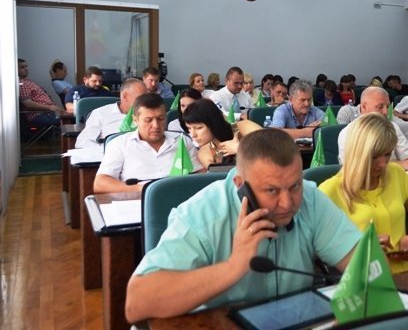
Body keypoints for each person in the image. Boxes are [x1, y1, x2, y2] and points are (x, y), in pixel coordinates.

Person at [124, 129, 361, 322]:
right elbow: (137, 304)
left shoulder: (310, 199)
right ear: (240, 184)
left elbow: (365, 263)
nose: (288, 203)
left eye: (294, 186)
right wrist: (234, 266)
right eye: (272, 190)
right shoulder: (203, 214)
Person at [320, 113, 408, 274]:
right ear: (357, 152)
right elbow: (319, 250)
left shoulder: (396, 174)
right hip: (362, 277)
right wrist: (360, 247)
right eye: (374, 156)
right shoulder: (330, 190)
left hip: (405, 271)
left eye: (388, 154)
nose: (382, 164)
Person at [93, 93, 202, 194]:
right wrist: (144, 190)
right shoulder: (119, 144)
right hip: (137, 199)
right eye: (148, 120)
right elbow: (100, 184)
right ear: (135, 120)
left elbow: (199, 174)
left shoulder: (182, 140)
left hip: (179, 198)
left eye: (160, 119)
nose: (156, 125)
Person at [338, 87, 408, 171]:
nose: (386, 112)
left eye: (388, 106)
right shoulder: (348, 133)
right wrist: (401, 165)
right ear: (364, 106)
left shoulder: (392, 127)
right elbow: (356, 169)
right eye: (380, 107)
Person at [183, 99, 261, 168]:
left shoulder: (243, 126)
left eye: (198, 128)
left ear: (214, 123)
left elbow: (267, 146)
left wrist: (240, 149)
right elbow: (218, 175)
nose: (193, 135)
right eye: (189, 128)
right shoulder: (205, 152)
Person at [75, 78, 147, 148]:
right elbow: (83, 142)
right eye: (141, 97)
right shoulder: (101, 113)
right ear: (125, 96)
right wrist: (106, 150)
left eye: (146, 97)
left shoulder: (148, 115)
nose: (145, 101)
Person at [18, 58, 65, 125]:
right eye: (22, 67)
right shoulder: (22, 84)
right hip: (38, 114)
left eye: (26, 66)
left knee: (67, 118)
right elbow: (28, 103)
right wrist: (49, 107)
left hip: (47, 112)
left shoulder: (28, 81)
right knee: (66, 122)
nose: (26, 69)